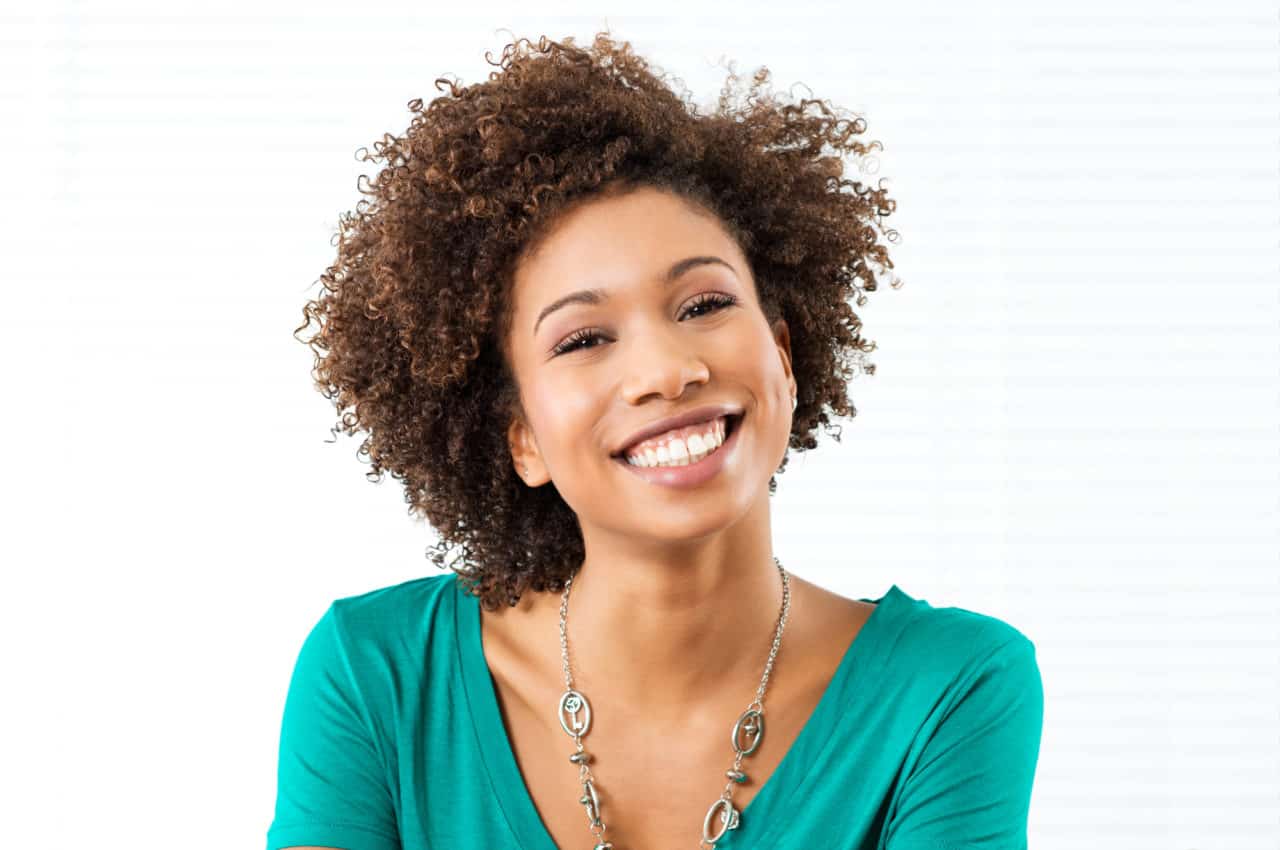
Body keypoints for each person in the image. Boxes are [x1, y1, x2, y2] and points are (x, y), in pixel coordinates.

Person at [268, 30, 1043, 850]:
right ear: (521, 437)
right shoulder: (377, 679)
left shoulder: (948, 689)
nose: (667, 372)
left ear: (781, 356)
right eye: (582, 340)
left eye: (704, 305)